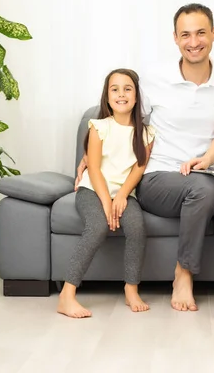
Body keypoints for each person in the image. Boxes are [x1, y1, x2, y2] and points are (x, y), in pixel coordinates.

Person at [77, 4, 214, 327]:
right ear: (176, 39)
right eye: (186, 35)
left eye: (201, 33)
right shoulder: (154, 79)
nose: (194, 41)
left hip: (212, 176)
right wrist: (91, 152)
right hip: (160, 179)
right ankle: (183, 273)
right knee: (202, 186)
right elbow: (126, 117)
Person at [58, 68, 155, 319]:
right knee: (98, 226)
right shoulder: (98, 127)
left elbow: (139, 167)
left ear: (136, 97)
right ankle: (66, 296)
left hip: (124, 193)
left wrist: (122, 196)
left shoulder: (146, 132)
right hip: (93, 190)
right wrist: (106, 202)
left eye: (127, 89)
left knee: (136, 227)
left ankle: (131, 290)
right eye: (115, 89)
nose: (121, 94)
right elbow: (95, 169)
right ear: (107, 96)